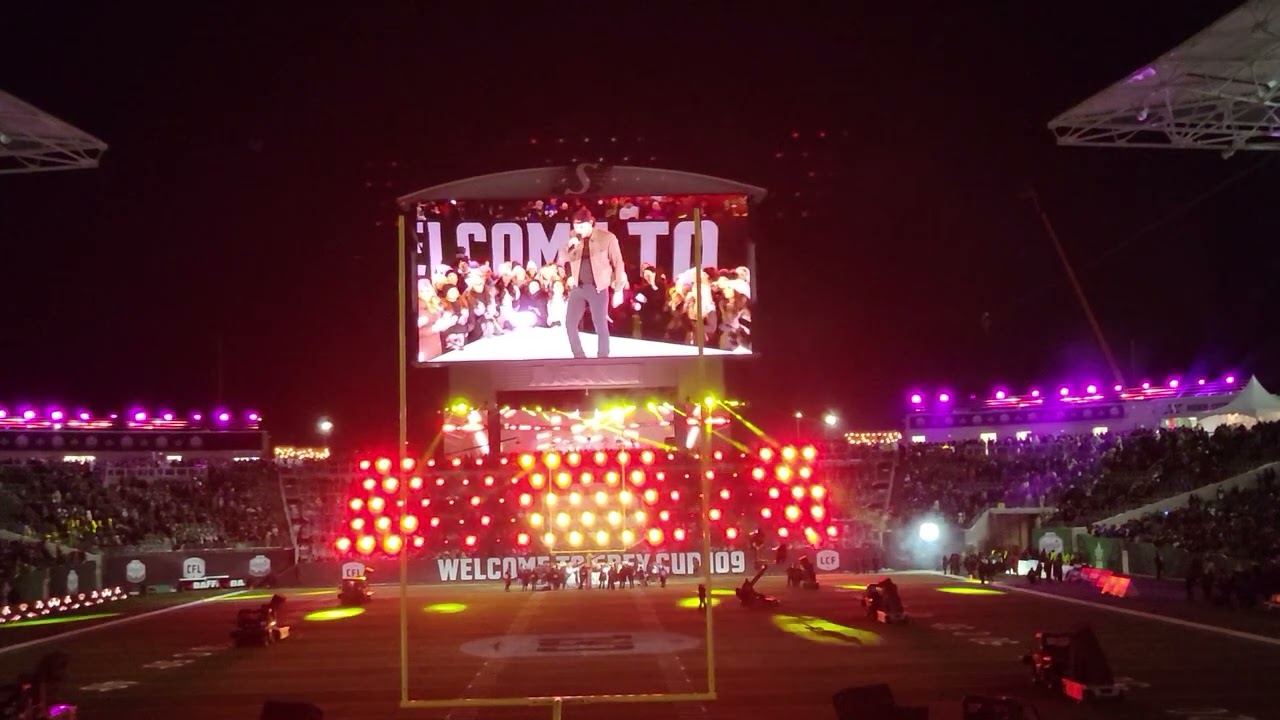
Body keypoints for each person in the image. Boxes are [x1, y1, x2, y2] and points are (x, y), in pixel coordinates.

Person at [557, 207, 626, 358]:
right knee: (569, 323)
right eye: (576, 227)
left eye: (581, 226)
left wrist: (619, 289)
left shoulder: (607, 238)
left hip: (598, 287)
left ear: (590, 223)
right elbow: (561, 258)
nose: (578, 230)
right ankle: (579, 355)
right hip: (578, 287)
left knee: (600, 324)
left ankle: (603, 356)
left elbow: (618, 263)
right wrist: (569, 246)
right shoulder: (574, 238)